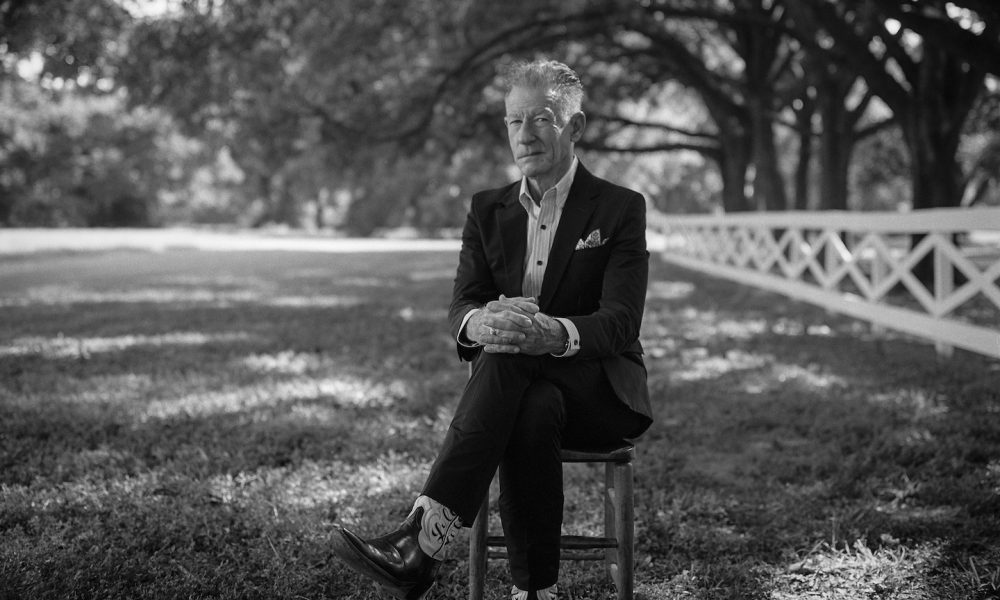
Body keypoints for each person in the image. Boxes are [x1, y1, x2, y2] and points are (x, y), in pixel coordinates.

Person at [332, 59, 653, 600]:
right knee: (527, 398)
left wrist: (552, 333)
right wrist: (480, 321)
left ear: (575, 127)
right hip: (527, 396)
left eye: (542, 119)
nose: (525, 135)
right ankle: (533, 592)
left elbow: (621, 323)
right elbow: (462, 304)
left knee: (511, 350)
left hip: (600, 392)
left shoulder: (620, 208)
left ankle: (421, 541)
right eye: (513, 121)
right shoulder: (487, 210)